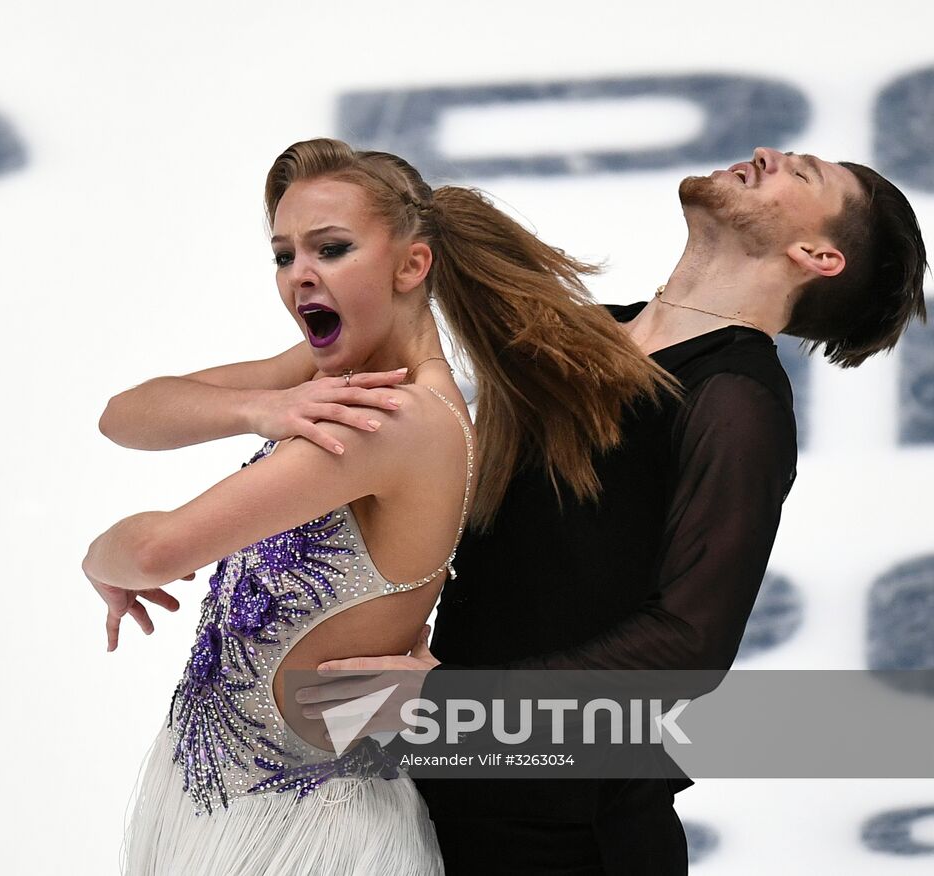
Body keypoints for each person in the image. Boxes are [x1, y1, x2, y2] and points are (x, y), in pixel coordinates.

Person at [98, 146, 929, 874]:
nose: (768, 153)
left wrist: (465, 699)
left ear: (817, 255)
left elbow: (690, 644)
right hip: (440, 795)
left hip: (570, 833)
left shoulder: (735, 397)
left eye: (804, 172)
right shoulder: (584, 337)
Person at [83, 137, 675, 875]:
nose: (299, 275)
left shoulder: (391, 420)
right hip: (216, 804)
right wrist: (262, 407)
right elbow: (123, 414)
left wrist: (95, 554)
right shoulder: (335, 379)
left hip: (303, 839)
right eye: (283, 255)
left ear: (411, 264)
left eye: (329, 249)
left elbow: (150, 553)